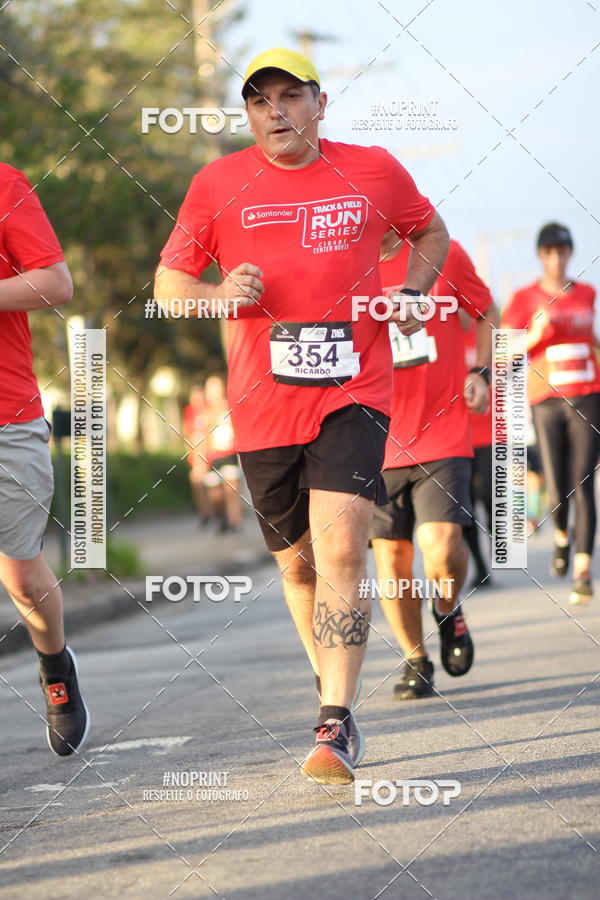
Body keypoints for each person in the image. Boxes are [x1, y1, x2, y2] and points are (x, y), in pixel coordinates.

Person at [154, 47, 449, 784]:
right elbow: (168, 284)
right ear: (248, 113)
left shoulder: (373, 169)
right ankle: (331, 689)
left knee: (345, 547)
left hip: (353, 391)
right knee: (296, 565)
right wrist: (220, 297)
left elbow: (430, 232)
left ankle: (337, 720)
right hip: (261, 406)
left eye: (290, 96)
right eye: (260, 101)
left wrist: (412, 293)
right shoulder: (216, 184)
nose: (276, 112)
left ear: (321, 103)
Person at [370, 234, 498, 700]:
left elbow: (486, 311)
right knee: (392, 558)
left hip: (442, 429)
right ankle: (415, 659)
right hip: (374, 438)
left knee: (441, 547)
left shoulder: (444, 254)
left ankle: (447, 610)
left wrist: (481, 372)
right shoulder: (346, 261)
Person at [0, 162, 90, 755]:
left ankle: (54, 666)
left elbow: (56, 284)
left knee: (23, 576)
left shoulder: (6, 184)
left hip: (6, 416)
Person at [502, 223, 600, 605]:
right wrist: (535, 334)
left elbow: (592, 340)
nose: (557, 258)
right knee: (558, 489)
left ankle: (582, 571)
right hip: (546, 401)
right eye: (549, 252)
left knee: (583, 484)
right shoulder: (525, 298)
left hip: (588, 397)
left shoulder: (588, 294)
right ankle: (561, 537)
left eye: (562, 251)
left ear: (570, 253)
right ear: (541, 256)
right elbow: (504, 351)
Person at [460, 313, 495, 589]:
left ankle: (500, 551)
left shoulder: (484, 335)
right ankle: (480, 566)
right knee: (465, 507)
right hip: (458, 436)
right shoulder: (442, 334)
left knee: (489, 496)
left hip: (491, 434)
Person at [202, 374, 242, 533]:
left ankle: (234, 522)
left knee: (231, 490)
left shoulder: (229, 407)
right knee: (215, 496)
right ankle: (221, 517)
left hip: (229, 454)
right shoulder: (204, 412)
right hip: (213, 457)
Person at [183, 384, 212, 526]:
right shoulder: (189, 412)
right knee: (197, 483)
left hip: (209, 454)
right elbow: (188, 433)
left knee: (210, 485)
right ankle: (204, 512)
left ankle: (212, 512)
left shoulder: (208, 410)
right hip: (196, 455)